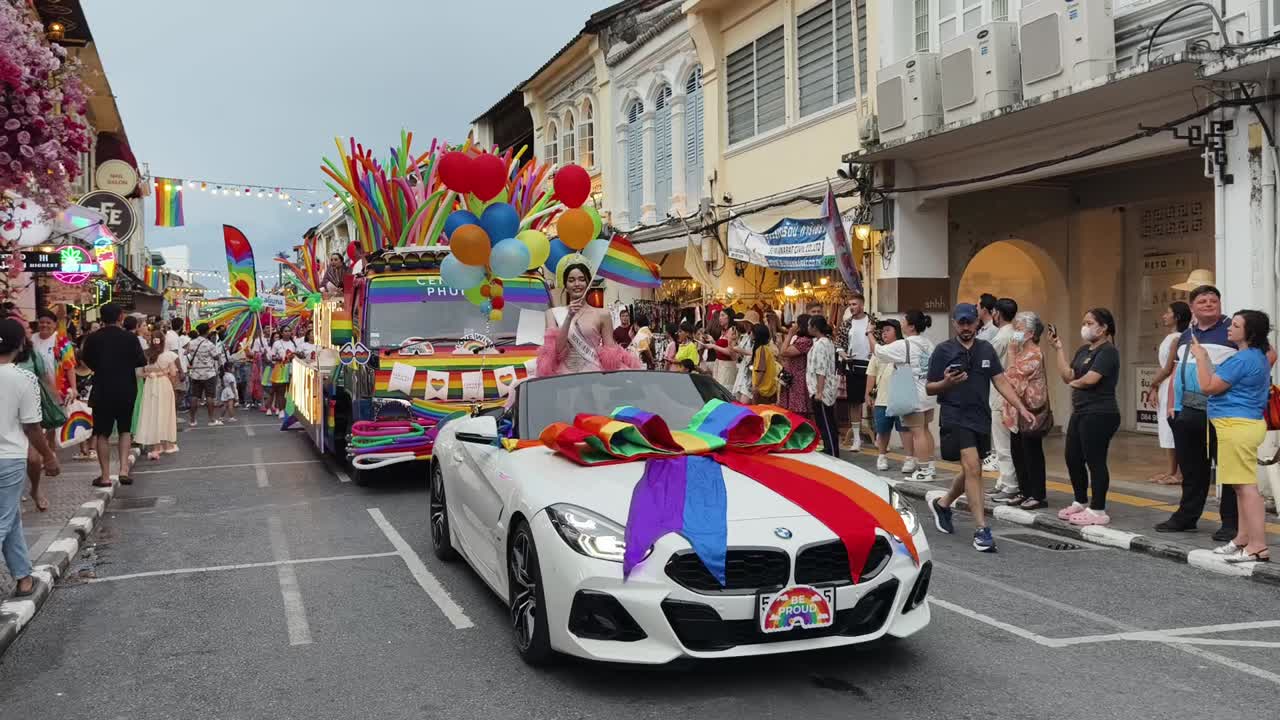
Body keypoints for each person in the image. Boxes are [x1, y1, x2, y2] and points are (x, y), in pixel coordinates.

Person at [924, 304, 1035, 553]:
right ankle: (982, 530)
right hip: (954, 416)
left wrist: (1020, 407)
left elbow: (1000, 381)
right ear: (954, 323)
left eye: (970, 322)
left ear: (976, 323)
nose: (966, 327)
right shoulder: (943, 350)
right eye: (961, 323)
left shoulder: (986, 349)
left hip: (980, 418)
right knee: (974, 467)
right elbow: (929, 387)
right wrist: (946, 382)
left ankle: (943, 504)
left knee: (970, 470)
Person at [1154, 285, 1244, 539]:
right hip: (1187, 412)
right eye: (1202, 301)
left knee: (1226, 468)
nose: (1208, 304)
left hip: (1222, 410)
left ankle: (1231, 523)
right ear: (1192, 307)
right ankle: (1187, 516)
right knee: (1192, 469)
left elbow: (1265, 357)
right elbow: (1176, 370)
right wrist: (1172, 405)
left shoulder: (1232, 331)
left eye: (1213, 300)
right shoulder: (1186, 335)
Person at [1194, 310, 1272, 563]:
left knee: (1247, 488)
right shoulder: (1256, 355)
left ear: (1249, 332)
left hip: (1237, 426)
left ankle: (1258, 545)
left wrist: (1201, 358)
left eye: (1236, 325)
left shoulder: (1243, 359)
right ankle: (1243, 538)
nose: (1230, 327)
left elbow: (1208, 386)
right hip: (1243, 424)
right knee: (1240, 485)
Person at [0, 318, 61, 599]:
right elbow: (33, 427)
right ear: (21, 344)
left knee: (10, 519)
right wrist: (48, 456)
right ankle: (23, 576)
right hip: (9, 457)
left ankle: (24, 577)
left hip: (10, 457)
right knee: (4, 520)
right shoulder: (23, 379)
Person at [1049, 308, 1122, 526]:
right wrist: (1058, 349)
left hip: (1100, 413)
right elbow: (1068, 375)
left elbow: (1091, 379)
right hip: (1081, 411)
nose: (1085, 327)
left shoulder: (1108, 351)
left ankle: (1098, 509)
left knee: (1095, 460)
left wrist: (1075, 383)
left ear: (1104, 327)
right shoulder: (1083, 350)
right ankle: (1080, 501)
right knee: (1072, 457)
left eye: (1089, 323)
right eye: (1084, 323)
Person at [79, 304, 146, 488]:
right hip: (126, 388)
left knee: (102, 433)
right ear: (120, 317)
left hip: (102, 389)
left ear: (102, 317)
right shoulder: (130, 338)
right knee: (125, 430)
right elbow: (141, 361)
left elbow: (85, 359)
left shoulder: (93, 338)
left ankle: (106, 476)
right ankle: (124, 470)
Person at [537, 262, 639, 376]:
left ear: (588, 284)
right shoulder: (552, 314)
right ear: (565, 286)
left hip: (592, 377)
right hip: (563, 379)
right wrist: (568, 317)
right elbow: (556, 351)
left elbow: (610, 355)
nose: (577, 284)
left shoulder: (603, 314)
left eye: (581, 279)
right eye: (571, 280)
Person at [871, 310, 937, 480]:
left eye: (904, 320)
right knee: (925, 430)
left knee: (917, 433)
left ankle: (923, 470)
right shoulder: (928, 344)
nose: (901, 322)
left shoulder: (904, 345)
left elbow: (878, 352)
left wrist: (869, 334)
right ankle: (930, 465)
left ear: (911, 326)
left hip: (912, 394)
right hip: (928, 393)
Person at [1002, 311, 1050, 509]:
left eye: (1019, 329)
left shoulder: (1035, 354)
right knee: (1017, 452)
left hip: (1031, 411)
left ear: (1030, 333)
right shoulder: (1021, 353)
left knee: (1032, 453)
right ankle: (1024, 490)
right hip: (1015, 412)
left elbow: (1014, 377)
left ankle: (1037, 495)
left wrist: (1011, 353)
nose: (1015, 333)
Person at [1143, 301, 1191, 485]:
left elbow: (1168, 367)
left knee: (1171, 428)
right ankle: (1171, 470)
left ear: (1177, 317)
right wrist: (1155, 387)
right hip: (1164, 384)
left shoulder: (1177, 338)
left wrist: (1152, 385)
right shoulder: (1171, 337)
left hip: (1171, 384)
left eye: (1168, 312)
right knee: (1165, 427)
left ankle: (1176, 472)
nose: (1164, 315)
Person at [865, 319, 914, 471]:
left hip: (901, 395)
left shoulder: (904, 348)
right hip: (882, 397)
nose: (884, 333)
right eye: (883, 331)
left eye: (888, 330)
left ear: (897, 332)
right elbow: (871, 374)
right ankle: (882, 456)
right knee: (882, 429)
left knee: (905, 429)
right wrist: (867, 393)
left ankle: (909, 459)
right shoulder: (878, 351)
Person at [986, 297, 1020, 501]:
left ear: (997, 313)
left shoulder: (1000, 338)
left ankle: (1009, 484)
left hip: (1000, 394)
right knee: (1005, 441)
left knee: (1002, 443)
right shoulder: (1016, 335)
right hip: (1010, 392)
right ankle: (1003, 481)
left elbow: (988, 362)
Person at [835, 292, 872, 453]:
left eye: (855, 304)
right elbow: (839, 344)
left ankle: (880, 436)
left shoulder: (872, 321)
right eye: (850, 304)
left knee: (874, 400)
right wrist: (844, 355)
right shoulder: (846, 324)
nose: (852, 307)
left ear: (862, 305)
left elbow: (879, 340)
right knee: (854, 402)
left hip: (871, 365)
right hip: (853, 364)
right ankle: (856, 438)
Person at [135, 335, 179, 460]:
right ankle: (168, 445)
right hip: (164, 385)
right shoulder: (169, 355)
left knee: (152, 413)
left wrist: (150, 374)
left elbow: (139, 373)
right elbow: (173, 373)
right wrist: (162, 373)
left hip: (150, 385)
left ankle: (156, 446)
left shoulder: (145, 355)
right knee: (165, 414)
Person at [807, 316, 841, 458]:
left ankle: (831, 450)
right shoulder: (827, 342)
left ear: (814, 327)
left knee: (825, 422)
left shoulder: (821, 344)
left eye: (810, 325)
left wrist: (819, 391)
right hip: (825, 387)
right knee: (828, 420)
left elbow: (821, 369)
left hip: (821, 389)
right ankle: (831, 448)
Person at [186, 323, 228, 427]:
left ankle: (192, 420)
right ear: (207, 331)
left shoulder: (191, 343)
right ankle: (211, 419)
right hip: (209, 373)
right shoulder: (210, 344)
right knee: (210, 396)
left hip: (195, 373)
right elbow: (216, 357)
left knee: (194, 396)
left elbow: (185, 353)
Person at [778, 315, 813, 417]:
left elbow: (783, 352)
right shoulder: (799, 339)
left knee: (798, 409)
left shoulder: (804, 341)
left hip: (798, 378)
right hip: (792, 377)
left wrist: (789, 335)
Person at [267, 327, 297, 417]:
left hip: (291, 368)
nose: (288, 333)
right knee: (281, 390)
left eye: (289, 331)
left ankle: (290, 410)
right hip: (281, 368)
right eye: (285, 331)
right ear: (281, 333)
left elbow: (295, 355)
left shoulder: (293, 343)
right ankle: (281, 410)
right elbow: (272, 357)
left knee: (290, 390)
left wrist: (294, 356)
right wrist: (280, 358)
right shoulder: (277, 343)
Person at [750, 323, 780, 404]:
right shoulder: (766, 348)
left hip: (762, 389)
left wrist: (755, 386)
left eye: (752, 332)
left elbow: (761, 369)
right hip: (767, 388)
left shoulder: (761, 349)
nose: (750, 334)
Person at [731, 320, 755, 403]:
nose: (745, 325)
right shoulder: (745, 337)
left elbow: (756, 353)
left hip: (751, 372)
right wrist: (733, 341)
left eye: (746, 323)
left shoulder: (757, 338)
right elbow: (737, 354)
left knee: (745, 401)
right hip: (743, 370)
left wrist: (742, 351)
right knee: (738, 401)